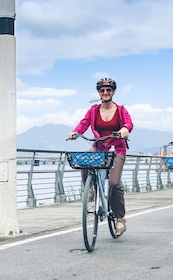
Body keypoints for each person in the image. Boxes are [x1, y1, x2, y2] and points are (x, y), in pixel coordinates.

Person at [68, 77, 133, 236]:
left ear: (113, 92)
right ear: (99, 92)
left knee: (114, 182)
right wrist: (75, 132)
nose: (105, 93)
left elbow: (128, 123)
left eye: (108, 90)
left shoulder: (120, 110)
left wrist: (125, 129)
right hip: (99, 147)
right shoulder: (93, 110)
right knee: (84, 159)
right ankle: (90, 189)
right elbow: (83, 124)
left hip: (117, 148)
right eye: (102, 90)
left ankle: (119, 218)